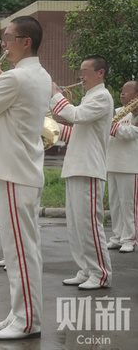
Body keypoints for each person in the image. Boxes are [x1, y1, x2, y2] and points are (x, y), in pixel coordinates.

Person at [0, 16, 51, 339]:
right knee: (21, 249)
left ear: (25, 41)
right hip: (21, 170)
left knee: (20, 251)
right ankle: (20, 313)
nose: (3, 44)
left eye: (8, 37)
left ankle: (27, 319)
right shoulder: (38, 75)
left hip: (16, 173)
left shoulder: (16, 79)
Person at [51, 55, 113, 289]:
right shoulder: (89, 97)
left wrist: (54, 94)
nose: (81, 76)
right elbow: (75, 130)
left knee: (89, 224)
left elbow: (76, 115)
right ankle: (86, 269)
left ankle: (101, 273)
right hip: (76, 166)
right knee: (76, 224)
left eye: (86, 71)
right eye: (80, 71)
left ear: (100, 73)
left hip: (90, 167)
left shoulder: (102, 97)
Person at [106, 81, 138, 253]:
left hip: (130, 165)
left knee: (128, 204)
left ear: (136, 95)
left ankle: (130, 239)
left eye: (127, 91)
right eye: (122, 91)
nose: (122, 94)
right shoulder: (118, 112)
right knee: (115, 204)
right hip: (113, 163)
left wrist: (110, 127)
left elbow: (130, 133)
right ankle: (117, 237)